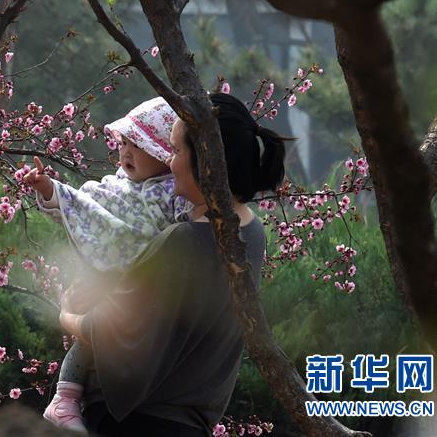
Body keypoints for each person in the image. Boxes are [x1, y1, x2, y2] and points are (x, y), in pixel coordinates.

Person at [57, 93, 287, 435]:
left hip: (135, 421)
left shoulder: (183, 241)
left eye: (176, 151)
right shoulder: (253, 234)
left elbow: (108, 330)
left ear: (205, 161)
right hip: (193, 422)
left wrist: (65, 315)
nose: (169, 160)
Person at [24, 97, 192, 432]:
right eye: (124, 143)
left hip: (145, 292)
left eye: (138, 146)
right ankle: (64, 398)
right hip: (106, 281)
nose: (126, 152)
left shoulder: (175, 193)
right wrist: (49, 189)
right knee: (90, 337)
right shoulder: (115, 188)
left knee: (104, 336)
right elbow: (83, 205)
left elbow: (187, 232)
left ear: (163, 152)